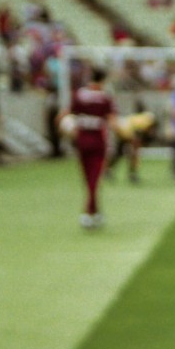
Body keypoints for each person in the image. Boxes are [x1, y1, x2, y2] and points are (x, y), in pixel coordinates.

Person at [59, 68, 116, 229]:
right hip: (98, 140)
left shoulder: (79, 95)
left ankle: (95, 212)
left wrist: (68, 129)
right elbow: (113, 122)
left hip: (82, 140)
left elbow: (63, 116)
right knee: (95, 178)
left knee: (87, 178)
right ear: (103, 80)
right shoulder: (105, 98)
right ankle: (88, 213)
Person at [107, 102, 157, 184]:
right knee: (132, 155)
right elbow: (138, 132)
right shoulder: (146, 119)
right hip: (127, 134)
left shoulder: (134, 118)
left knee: (120, 154)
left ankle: (111, 170)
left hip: (124, 133)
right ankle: (132, 174)